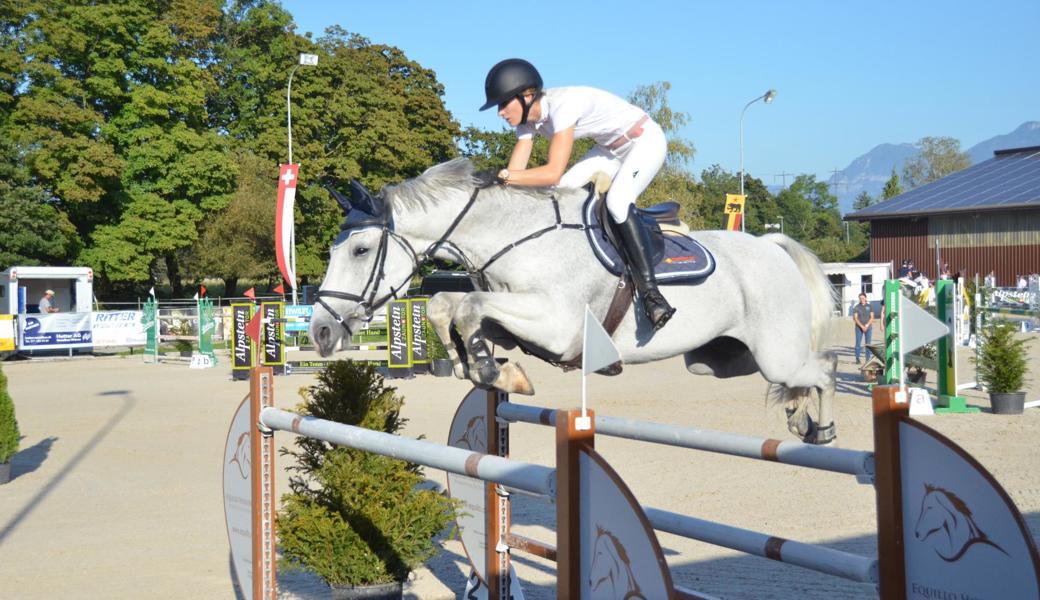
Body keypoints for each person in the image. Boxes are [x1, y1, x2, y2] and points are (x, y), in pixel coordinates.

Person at [478, 58, 674, 331]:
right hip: (610, 150)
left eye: (502, 104)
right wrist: (492, 185)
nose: (500, 112)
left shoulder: (563, 106)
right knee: (560, 196)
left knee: (617, 202)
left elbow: (552, 173)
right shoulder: (526, 124)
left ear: (526, 96)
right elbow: (515, 178)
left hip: (644, 142)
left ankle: (652, 294)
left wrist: (503, 176)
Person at [852, 293, 874, 364]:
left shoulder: (870, 306)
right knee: (858, 343)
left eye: (863, 298)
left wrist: (867, 325)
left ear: (865, 298)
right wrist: (862, 326)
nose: (862, 299)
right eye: (860, 298)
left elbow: (872, 317)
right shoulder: (856, 307)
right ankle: (857, 358)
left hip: (868, 327)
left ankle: (868, 359)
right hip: (859, 327)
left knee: (868, 344)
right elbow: (855, 318)